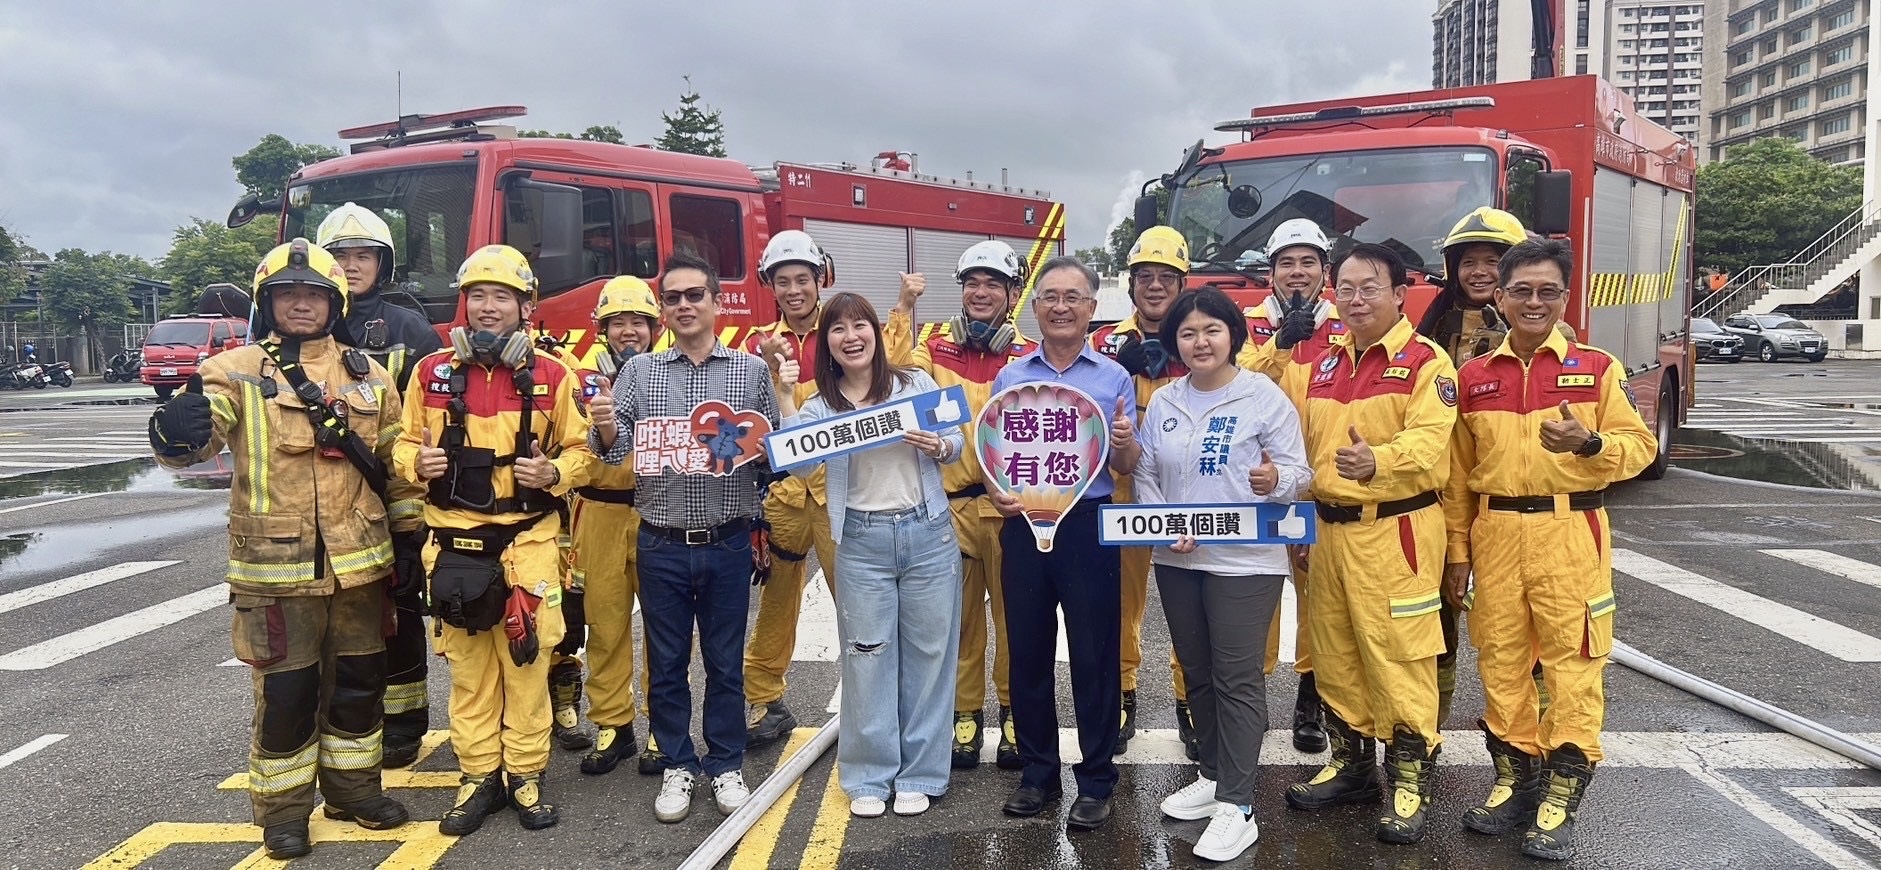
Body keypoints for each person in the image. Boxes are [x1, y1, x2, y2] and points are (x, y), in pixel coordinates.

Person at [149, 239, 415, 859]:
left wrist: (408, 543)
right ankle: (284, 812)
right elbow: (197, 436)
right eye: (288, 294)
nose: (301, 304)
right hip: (276, 571)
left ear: (336, 302)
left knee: (358, 686)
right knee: (287, 698)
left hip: (361, 568)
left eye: (314, 294)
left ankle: (354, 790)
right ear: (269, 302)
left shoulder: (368, 375)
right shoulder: (234, 371)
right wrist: (174, 431)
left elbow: (394, 464)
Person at [1443, 239, 1656, 861]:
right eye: (1522, 291)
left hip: (1571, 533)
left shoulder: (1596, 368)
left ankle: (1562, 792)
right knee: (1501, 662)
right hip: (1495, 534)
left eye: (1548, 291)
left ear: (1565, 298)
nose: (1534, 302)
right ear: (1500, 298)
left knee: (1573, 662)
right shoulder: (1474, 377)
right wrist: (1458, 551)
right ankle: (1514, 779)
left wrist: (1590, 445)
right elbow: (1458, 477)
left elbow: (1638, 448)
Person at [393, 244, 593, 835]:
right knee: (470, 673)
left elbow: (583, 450)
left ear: (524, 306)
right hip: (455, 548)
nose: (486, 307)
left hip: (528, 545)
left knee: (527, 666)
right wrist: (416, 462)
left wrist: (554, 473)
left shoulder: (556, 376)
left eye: (501, 296)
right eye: (476, 295)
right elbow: (401, 442)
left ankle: (524, 776)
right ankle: (479, 776)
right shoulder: (431, 374)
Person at [592, 251, 779, 823]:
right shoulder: (639, 373)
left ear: (717, 303)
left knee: (724, 664)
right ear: (663, 310)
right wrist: (603, 425)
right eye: (672, 298)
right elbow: (617, 447)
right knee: (667, 662)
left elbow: (775, 459)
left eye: (694, 295)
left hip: (727, 541)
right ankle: (677, 762)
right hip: (661, 542)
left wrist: (757, 442)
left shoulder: (750, 372)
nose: (683, 306)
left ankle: (724, 764)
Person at [1280, 243, 1458, 845]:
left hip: (1397, 530)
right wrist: (1304, 516)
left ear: (1400, 294)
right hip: (1327, 531)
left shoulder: (1428, 363)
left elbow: (1432, 443)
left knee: (1400, 653)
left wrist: (1375, 461)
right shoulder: (1323, 364)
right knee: (1335, 650)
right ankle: (1352, 766)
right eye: (1346, 288)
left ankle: (1409, 781)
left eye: (1370, 288)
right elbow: (1294, 441)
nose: (1356, 300)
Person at [1135, 287, 1311, 862]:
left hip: (1245, 562)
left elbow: (1296, 472)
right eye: (1187, 333)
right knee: (1199, 671)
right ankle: (1214, 777)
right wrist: (1163, 524)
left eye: (1211, 329)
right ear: (1174, 343)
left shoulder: (1262, 396)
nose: (1200, 341)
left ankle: (1239, 805)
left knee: (1238, 677)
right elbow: (1145, 475)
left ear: (1233, 333)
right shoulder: (1164, 401)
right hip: (1178, 560)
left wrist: (1274, 483)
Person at [775, 292, 965, 818]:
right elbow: (794, 464)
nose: (851, 336)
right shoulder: (820, 405)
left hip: (927, 534)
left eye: (861, 325)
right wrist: (787, 397)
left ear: (878, 334)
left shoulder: (914, 385)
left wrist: (940, 446)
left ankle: (922, 774)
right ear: (827, 344)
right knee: (866, 656)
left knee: (930, 656)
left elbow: (957, 441)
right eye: (838, 329)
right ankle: (868, 775)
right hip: (860, 540)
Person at [740, 230, 922, 748]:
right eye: (783, 281)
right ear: (770, 286)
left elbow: (897, 365)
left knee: (863, 603)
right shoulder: (756, 344)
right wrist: (768, 369)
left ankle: (885, 700)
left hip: (844, 489)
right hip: (785, 494)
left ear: (821, 279)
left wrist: (905, 305)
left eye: (803, 279)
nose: (794, 290)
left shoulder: (842, 332)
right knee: (776, 600)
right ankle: (764, 699)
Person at [993, 256, 1140, 832]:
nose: (1060, 306)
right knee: (1027, 649)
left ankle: (1098, 778)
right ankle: (1037, 775)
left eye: (1072, 297)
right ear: (1035, 308)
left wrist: (1125, 441)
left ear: (1091, 309)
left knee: (1094, 653)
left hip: (1087, 522)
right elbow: (993, 451)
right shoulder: (1011, 376)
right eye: (1050, 296)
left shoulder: (1113, 378)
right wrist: (998, 493)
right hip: (1025, 524)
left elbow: (1126, 463)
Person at [1415, 207, 1558, 727]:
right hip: (1439, 493)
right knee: (1437, 620)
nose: (1479, 272)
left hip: (1515, 502)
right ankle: (1428, 729)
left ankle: (1534, 736)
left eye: (1493, 261)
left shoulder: (1541, 336)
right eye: (1468, 261)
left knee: (1527, 628)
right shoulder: (1429, 329)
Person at [316, 202, 444, 770]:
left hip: (388, 492)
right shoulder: (303, 323)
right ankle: (349, 721)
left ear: (381, 263)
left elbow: (430, 416)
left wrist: (418, 511)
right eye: (340, 255)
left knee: (398, 610)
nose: (349, 265)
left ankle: (405, 724)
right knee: (337, 619)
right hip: (319, 500)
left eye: (361, 254)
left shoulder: (407, 327)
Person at [903, 241, 1038, 771]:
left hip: (1012, 512)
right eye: (971, 283)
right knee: (956, 623)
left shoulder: (1029, 356)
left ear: (1011, 295)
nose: (980, 293)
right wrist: (903, 309)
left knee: (1015, 622)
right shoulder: (932, 349)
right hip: (950, 508)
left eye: (993, 285)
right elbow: (893, 379)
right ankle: (965, 714)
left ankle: (1012, 712)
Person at [1237, 217, 1347, 757]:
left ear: (1325, 271)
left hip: (1317, 485)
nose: (1297, 272)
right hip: (1257, 486)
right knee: (1256, 595)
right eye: (1287, 262)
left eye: (1308, 262)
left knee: (1317, 601)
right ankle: (1250, 695)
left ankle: (1311, 698)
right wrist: (1280, 344)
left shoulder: (1347, 327)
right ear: (1271, 272)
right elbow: (1234, 382)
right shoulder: (1249, 325)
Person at [1087, 224, 1192, 757]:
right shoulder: (1106, 344)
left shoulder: (1199, 336)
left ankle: (1189, 698)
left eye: (1165, 278)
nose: (1154, 286)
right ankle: (1125, 691)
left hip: (1185, 494)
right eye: (1144, 277)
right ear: (1130, 285)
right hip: (1122, 493)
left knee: (1188, 600)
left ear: (1182, 284)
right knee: (1120, 603)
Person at [570, 277, 664, 777]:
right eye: (618, 323)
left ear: (654, 327)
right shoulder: (576, 377)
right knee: (603, 626)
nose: (629, 332)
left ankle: (660, 726)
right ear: (602, 328)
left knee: (663, 630)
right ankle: (613, 725)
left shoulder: (667, 376)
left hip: (655, 510)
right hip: (599, 512)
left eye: (638, 323)